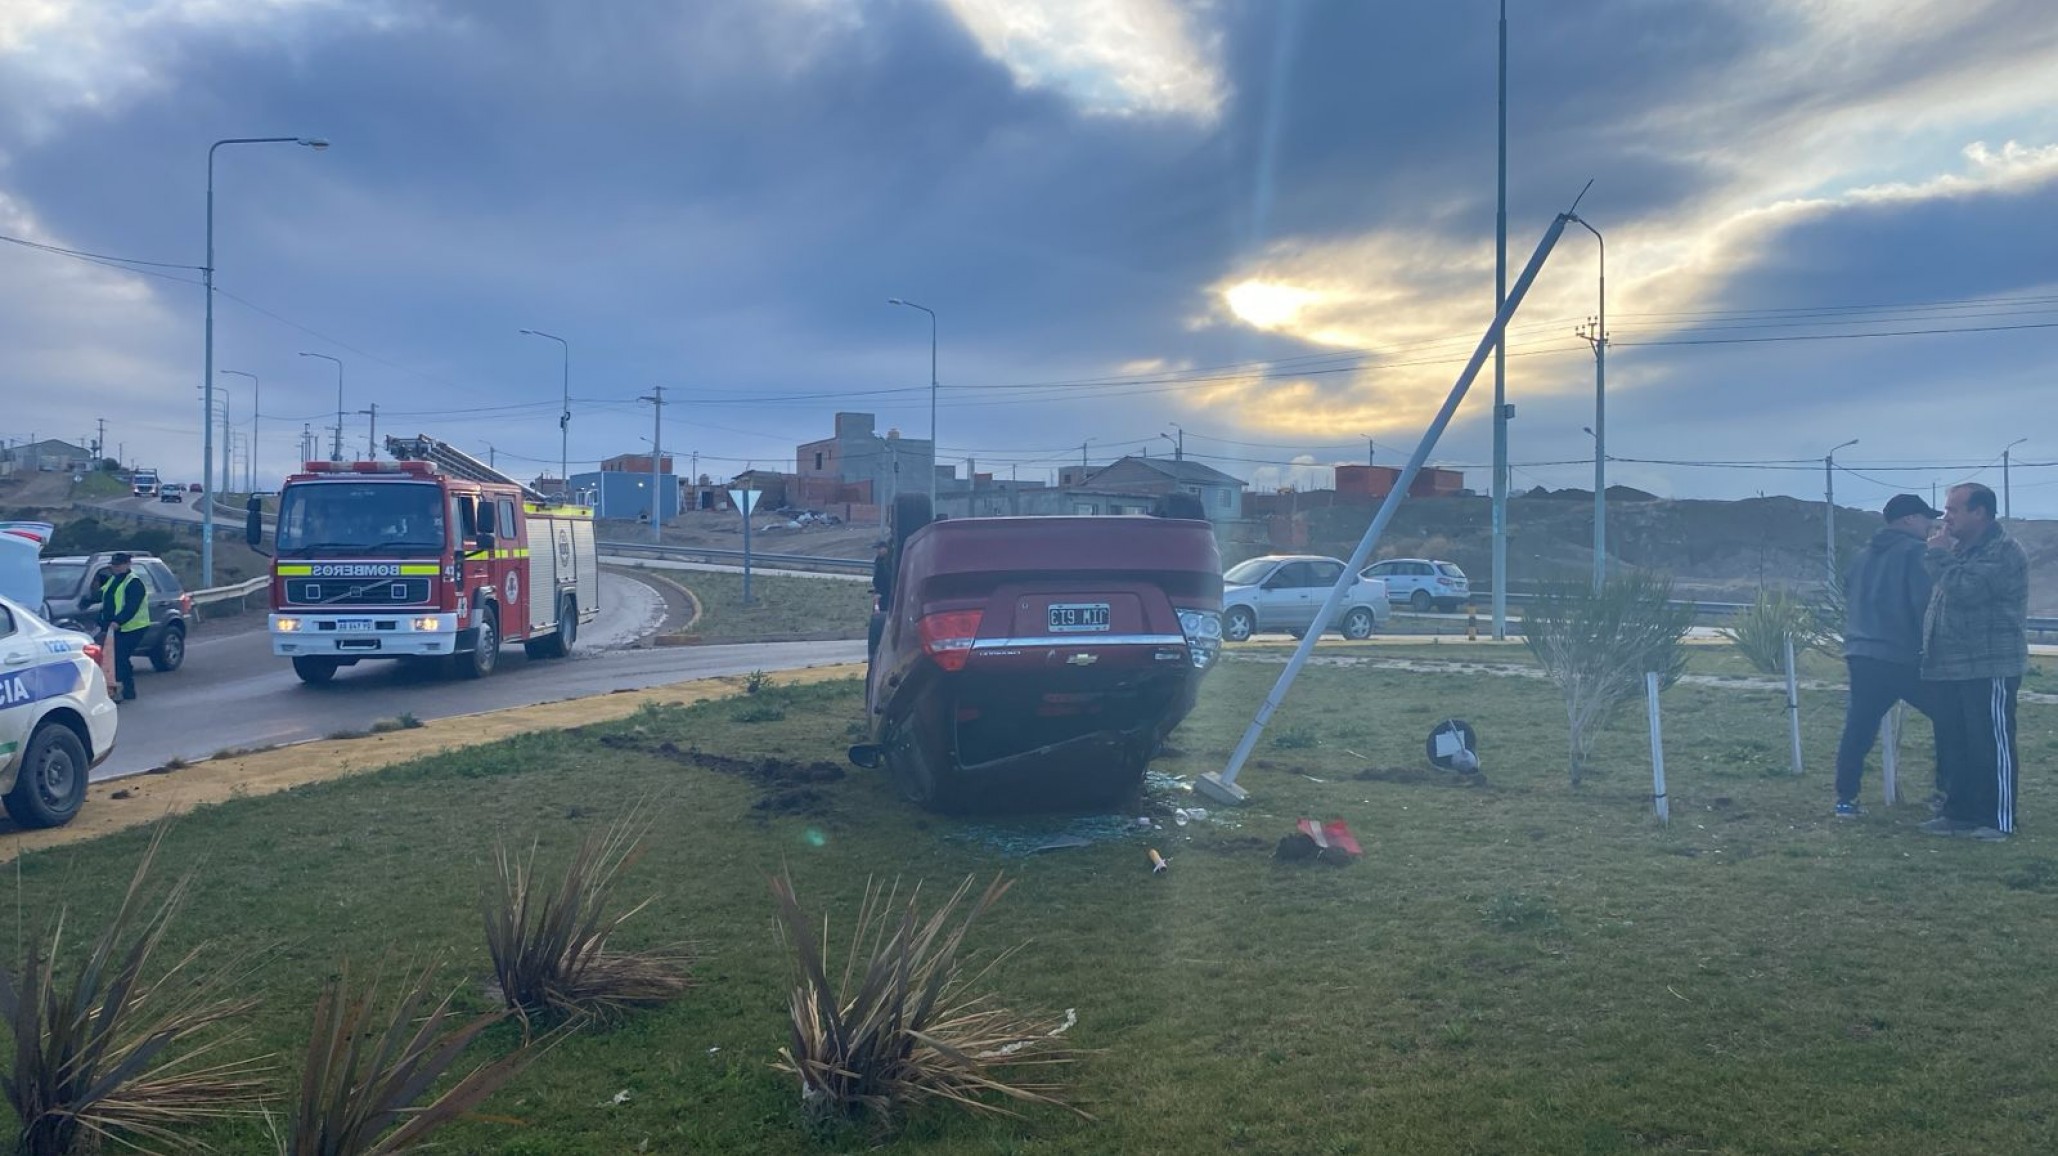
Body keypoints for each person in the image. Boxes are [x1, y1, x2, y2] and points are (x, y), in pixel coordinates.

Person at [1919, 482, 2028, 840]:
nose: (1946, 517)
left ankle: (1998, 819)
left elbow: (1966, 590)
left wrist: (1937, 556)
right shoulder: (1959, 551)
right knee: (1956, 745)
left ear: (1979, 512)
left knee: (1989, 744)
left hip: (1988, 665)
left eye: (1953, 509)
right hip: (1950, 666)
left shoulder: (2003, 551)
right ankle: (1959, 813)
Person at [1832, 494, 1942, 817]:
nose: (1930, 524)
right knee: (1950, 717)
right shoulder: (1917, 553)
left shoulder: (1861, 556)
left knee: (1859, 727)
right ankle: (1945, 792)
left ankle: (1845, 799)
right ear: (1909, 519)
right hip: (1902, 655)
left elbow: (1850, 595)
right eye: (1925, 517)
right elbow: (1923, 604)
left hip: (1861, 653)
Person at [94, 552, 152, 702]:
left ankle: (123, 690)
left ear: (128, 564)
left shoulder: (134, 583)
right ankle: (125, 690)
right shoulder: (113, 580)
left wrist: (118, 621)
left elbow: (131, 607)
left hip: (132, 628)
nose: (116, 568)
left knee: (119, 658)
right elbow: (103, 597)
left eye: (119, 565)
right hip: (114, 627)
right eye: (114, 565)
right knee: (114, 658)